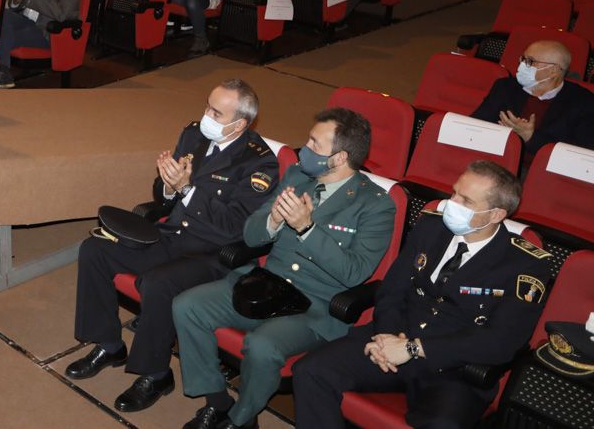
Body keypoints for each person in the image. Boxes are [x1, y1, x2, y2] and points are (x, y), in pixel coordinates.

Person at [66, 81, 280, 413]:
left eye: (215, 112)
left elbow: (235, 228)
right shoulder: (194, 134)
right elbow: (165, 193)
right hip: (173, 235)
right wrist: (167, 187)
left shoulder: (259, 164)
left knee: (158, 283)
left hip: (213, 254)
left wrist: (188, 190)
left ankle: (156, 374)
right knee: (94, 249)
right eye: (207, 106)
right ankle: (109, 345)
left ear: (239, 124)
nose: (205, 115)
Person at [174, 108, 394, 429]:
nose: (305, 148)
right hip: (267, 284)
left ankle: (240, 418)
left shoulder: (375, 205)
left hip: (315, 306)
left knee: (263, 346)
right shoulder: (297, 178)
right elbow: (250, 234)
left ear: (339, 157)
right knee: (187, 306)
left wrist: (307, 229)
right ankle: (217, 401)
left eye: (315, 144)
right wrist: (274, 220)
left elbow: (355, 272)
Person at [292, 161, 553, 429]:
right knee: (311, 372)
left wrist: (413, 349)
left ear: (496, 214)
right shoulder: (431, 227)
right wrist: (386, 336)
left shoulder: (526, 264)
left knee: (442, 425)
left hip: (453, 369)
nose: (451, 203)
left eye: (466, 201)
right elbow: (393, 290)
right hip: (394, 337)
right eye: (454, 193)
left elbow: (501, 341)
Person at [472, 40, 594, 160]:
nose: (522, 65)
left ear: (553, 70)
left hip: (542, 171)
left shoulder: (584, 102)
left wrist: (530, 137)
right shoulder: (505, 87)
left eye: (530, 61)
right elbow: (476, 123)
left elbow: (581, 155)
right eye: (522, 59)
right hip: (496, 159)